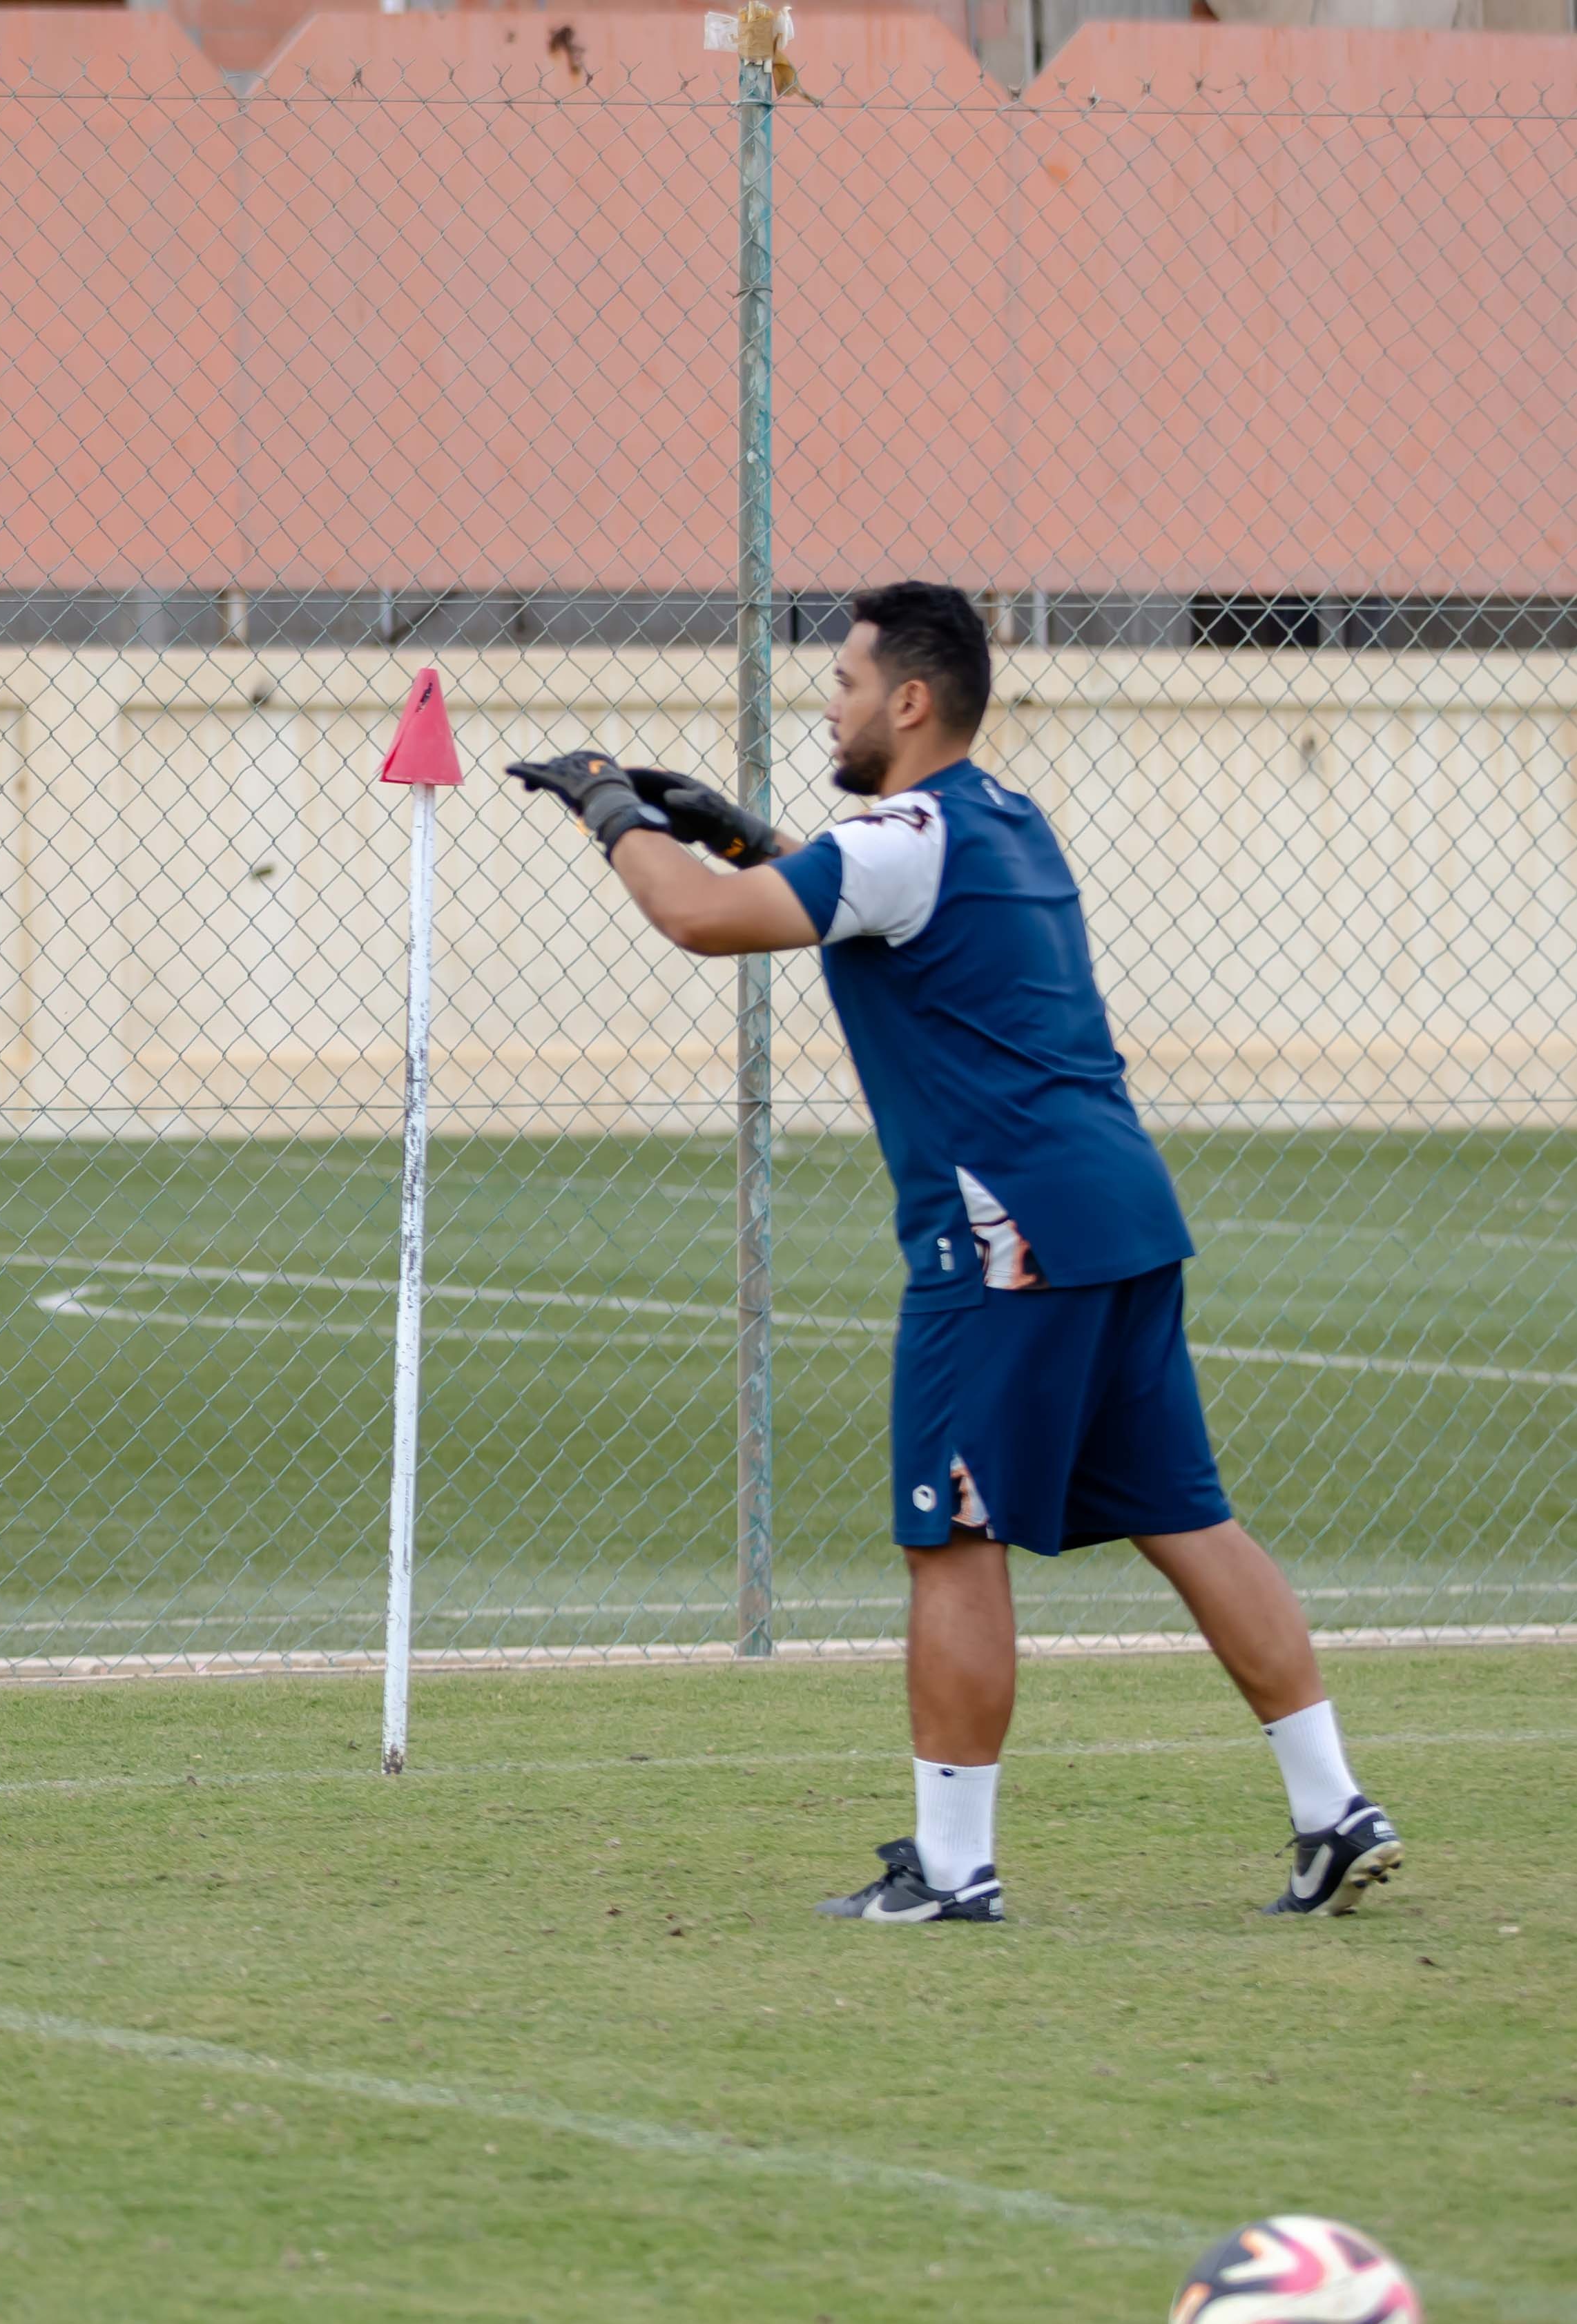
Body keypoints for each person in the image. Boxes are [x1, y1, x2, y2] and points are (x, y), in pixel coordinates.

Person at [504, 581, 1404, 1924]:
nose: (831, 701)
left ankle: (947, 1870)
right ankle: (1333, 1807)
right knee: (1184, 1515)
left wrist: (608, 808)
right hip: (1118, 1213)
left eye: (848, 682)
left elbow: (696, 922)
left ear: (909, 700)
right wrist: (752, 835)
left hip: (1006, 1240)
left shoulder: (897, 838)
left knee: (951, 1538)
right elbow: (880, 905)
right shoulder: (1002, 819)